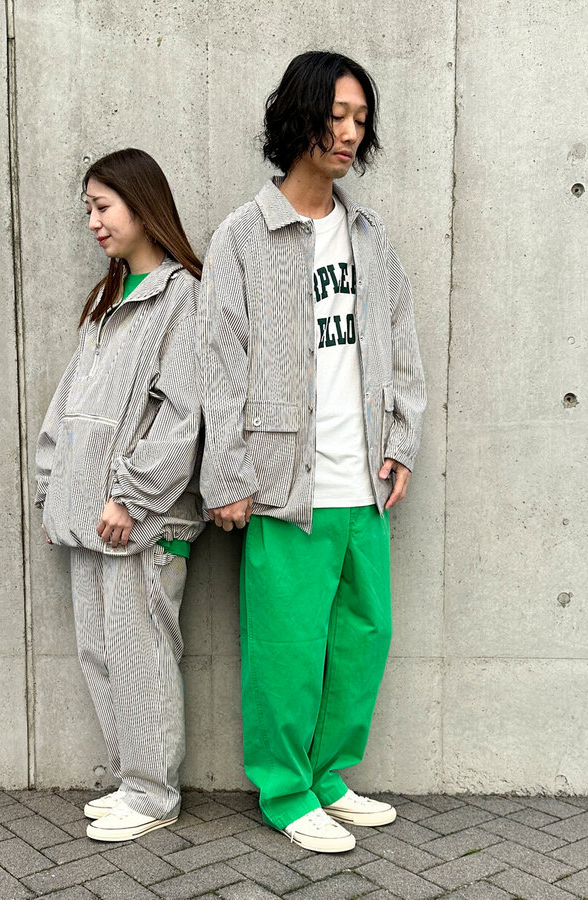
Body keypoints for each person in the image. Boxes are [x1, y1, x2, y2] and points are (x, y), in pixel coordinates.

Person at [197, 51, 426, 853]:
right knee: (286, 652)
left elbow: (400, 345)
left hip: (364, 483)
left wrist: (402, 442)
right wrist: (227, 475)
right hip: (284, 487)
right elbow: (217, 365)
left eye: (360, 119)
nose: (350, 133)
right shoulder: (243, 236)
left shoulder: (368, 235)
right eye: (337, 115)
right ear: (299, 117)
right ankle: (286, 790)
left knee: (364, 638)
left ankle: (327, 776)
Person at [35, 148, 203, 842]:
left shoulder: (180, 297)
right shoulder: (107, 303)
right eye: (89, 210)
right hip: (85, 518)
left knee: (142, 653)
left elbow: (184, 414)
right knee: (100, 653)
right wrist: (52, 488)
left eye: (103, 207)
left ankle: (154, 794)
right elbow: (69, 407)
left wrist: (132, 497)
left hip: (140, 522)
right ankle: (132, 781)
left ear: (141, 203)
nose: (94, 222)